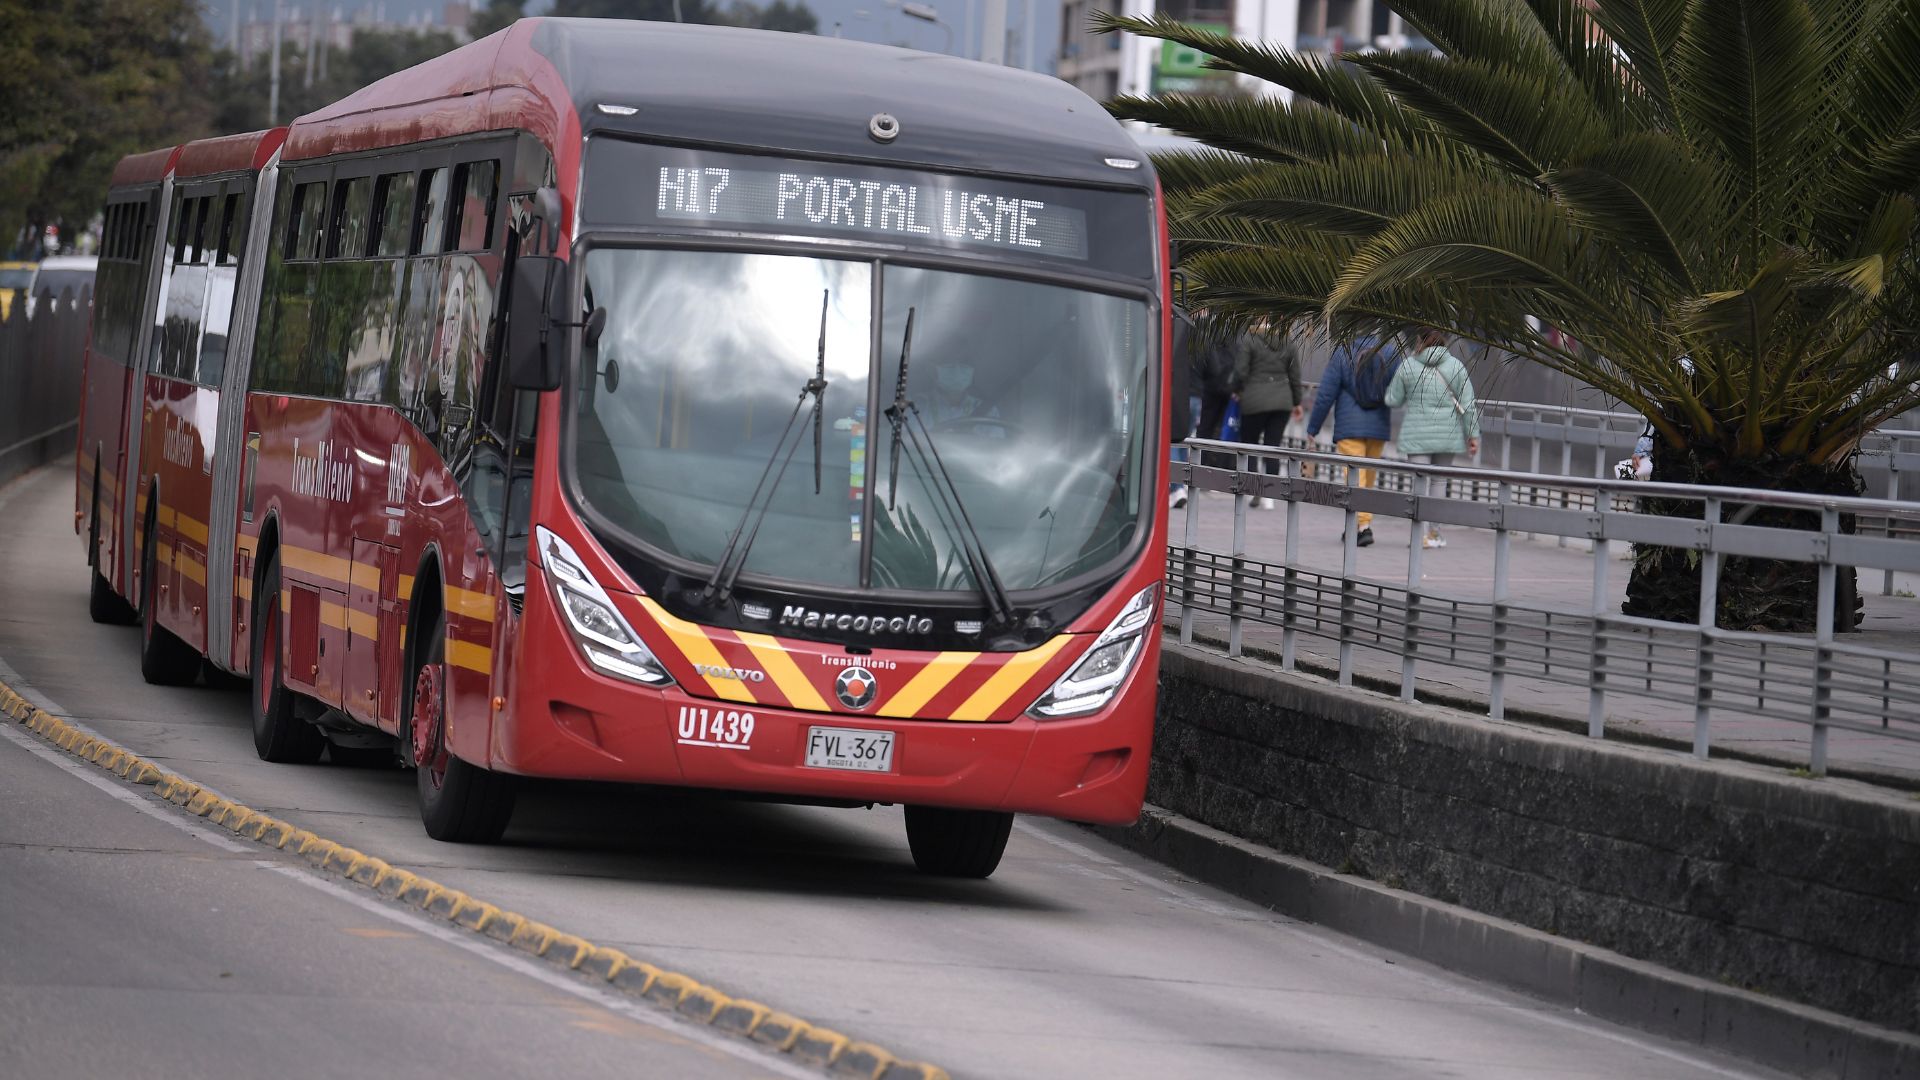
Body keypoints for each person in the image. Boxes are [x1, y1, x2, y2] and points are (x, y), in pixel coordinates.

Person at [1385, 327, 1481, 548]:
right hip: (1447, 435)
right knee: (1439, 482)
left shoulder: (1409, 365)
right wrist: (1473, 435)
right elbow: (1468, 404)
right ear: (1444, 343)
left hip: (1417, 434)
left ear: (1420, 341)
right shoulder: (1456, 366)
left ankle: (1417, 534)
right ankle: (1434, 534)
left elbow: (1393, 400)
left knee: (1419, 482)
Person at [1305, 332, 1401, 547]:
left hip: (1349, 426)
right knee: (1368, 478)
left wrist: (1313, 428)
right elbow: (1399, 387)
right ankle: (1358, 526)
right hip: (1378, 425)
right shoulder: (1391, 352)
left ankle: (1362, 526)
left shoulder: (1343, 352)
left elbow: (1326, 393)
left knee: (1354, 478)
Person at [1231, 320, 1304, 509]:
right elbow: (1295, 375)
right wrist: (1297, 402)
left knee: (1251, 445)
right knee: (1273, 446)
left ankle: (1253, 487)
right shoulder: (1288, 341)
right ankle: (1270, 494)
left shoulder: (1250, 339)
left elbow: (1241, 371)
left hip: (1254, 399)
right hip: (1282, 401)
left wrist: (1237, 390)